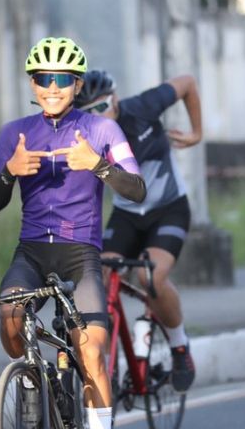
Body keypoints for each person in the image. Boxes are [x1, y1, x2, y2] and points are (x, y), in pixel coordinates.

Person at [0, 37, 146, 429]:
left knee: (92, 350)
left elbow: (136, 189)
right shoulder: (15, 132)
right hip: (32, 251)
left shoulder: (101, 130)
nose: (52, 87)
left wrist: (97, 166)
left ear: (76, 85)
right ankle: (33, 380)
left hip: (81, 253)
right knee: (10, 313)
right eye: (43, 79)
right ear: (33, 85)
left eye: (61, 80)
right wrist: (10, 172)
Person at [80, 67, 206, 391]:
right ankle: (106, 367)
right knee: (101, 278)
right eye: (88, 113)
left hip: (168, 211)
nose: (99, 116)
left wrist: (196, 133)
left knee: (149, 277)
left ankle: (179, 346)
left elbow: (188, 82)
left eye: (102, 106)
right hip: (126, 216)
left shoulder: (143, 107)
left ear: (116, 98)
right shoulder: (82, 137)